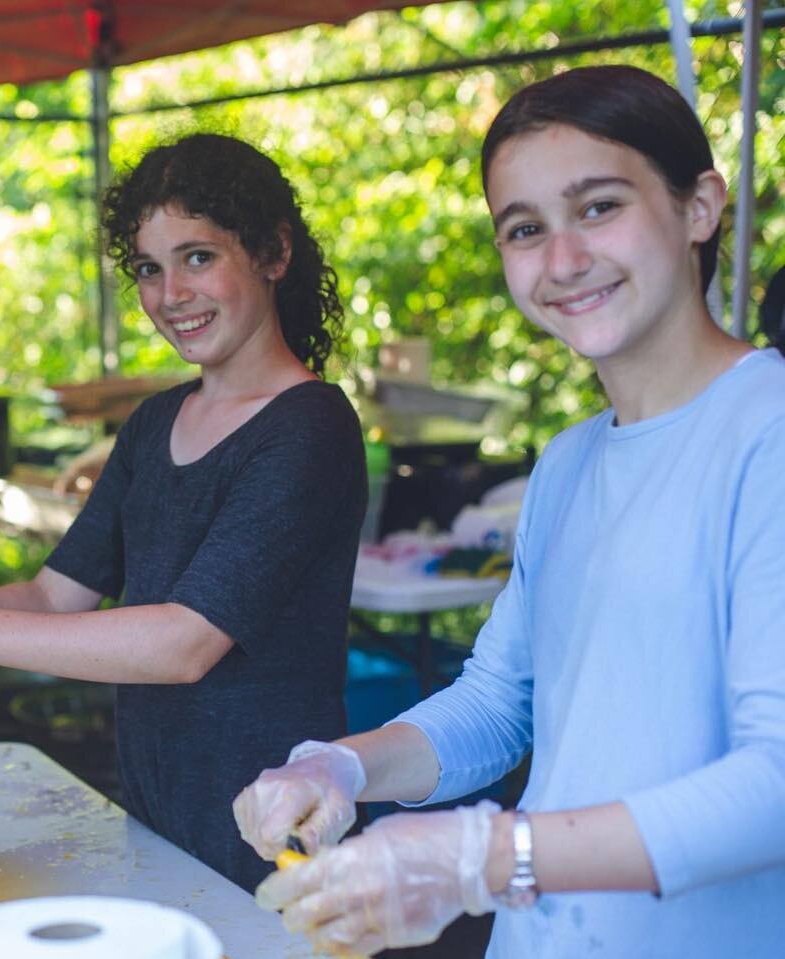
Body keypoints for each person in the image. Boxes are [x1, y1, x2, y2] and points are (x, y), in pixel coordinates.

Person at [232, 64, 785, 957]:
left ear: (699, 206)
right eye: (524, 228)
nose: (562, 260)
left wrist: (481, 854)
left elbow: (777, 784)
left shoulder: (770, 435)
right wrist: (341, 763)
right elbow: (498, 703)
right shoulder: (568, 463)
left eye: (599, 206)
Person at [0, 133, 367, 890]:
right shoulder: (151, 423)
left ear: (274, 253)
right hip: (152, 814)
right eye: (148, 267)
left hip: (274, 831)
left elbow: (185, 642)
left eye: (198, 257)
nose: (171, 293)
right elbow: (52, 595)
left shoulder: (309, 426)